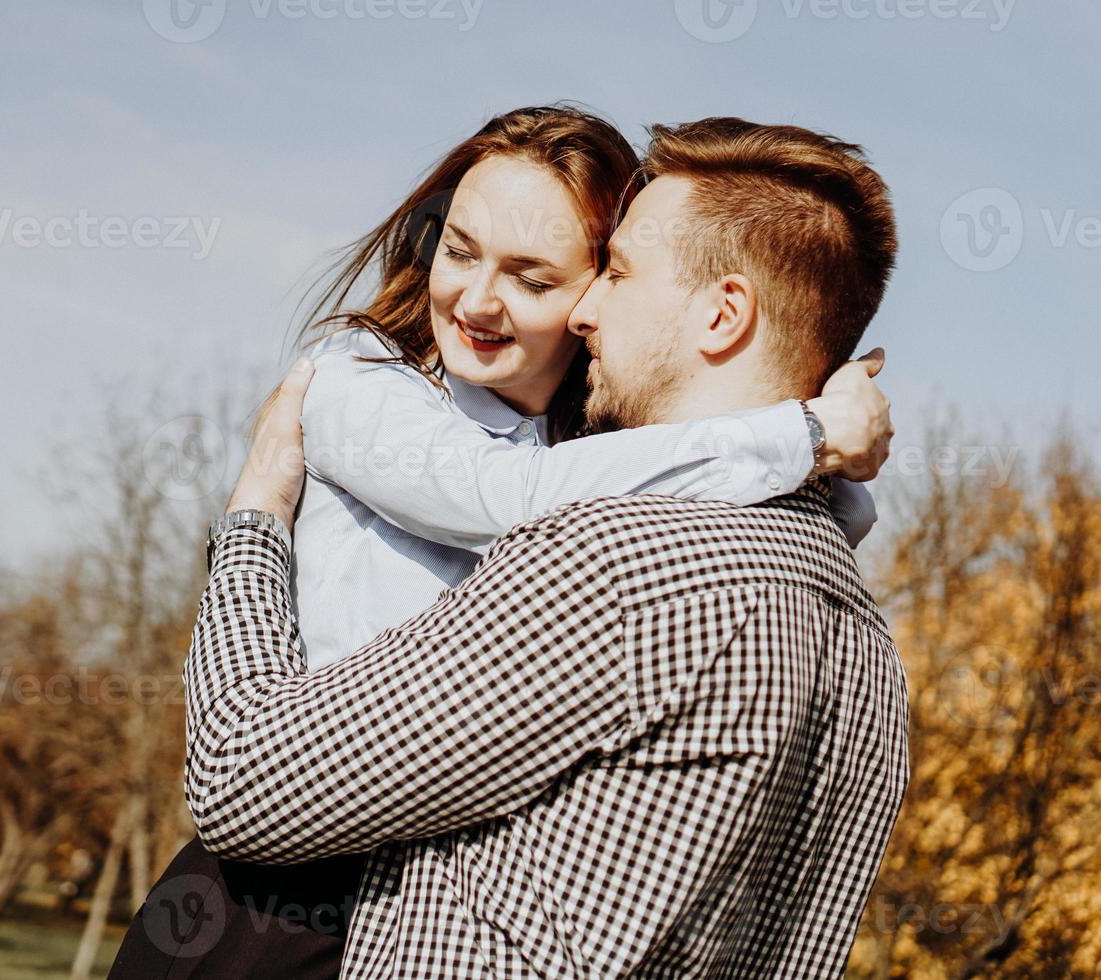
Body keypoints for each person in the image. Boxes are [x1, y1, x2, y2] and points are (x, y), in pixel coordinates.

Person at [109, 106, 893, 980]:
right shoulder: (862, 645)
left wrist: (253, 522)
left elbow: (241, 780)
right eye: (458, 249)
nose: (587, 308)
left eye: (604, 274)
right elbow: (511, 498)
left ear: (722, 315)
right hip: (263, 893)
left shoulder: (610, 545)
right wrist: (810, 436)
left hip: (314, 850)